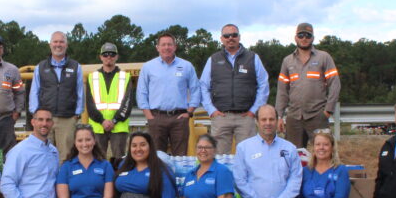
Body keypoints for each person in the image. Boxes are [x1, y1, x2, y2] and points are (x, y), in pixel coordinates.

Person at [199, 24, 270, 154]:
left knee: (248, 157)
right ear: (221, 38)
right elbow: (203, 86)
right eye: (226, 35)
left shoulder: (253, 57)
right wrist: (211, 110)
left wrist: (254, 110)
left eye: (234, 35)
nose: (230, 38)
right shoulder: (213, 59)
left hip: (246, 117)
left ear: (239, 37)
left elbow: (263, 85)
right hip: (221, 117)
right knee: (218, 159)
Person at [275, 22, 341, 149]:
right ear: (295, 38)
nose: (304, 38)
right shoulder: (287, 61)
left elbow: (335, 84)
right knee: (293, 155)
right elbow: (282, 91)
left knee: (324, 153)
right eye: (301, 35)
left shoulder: (324, 57)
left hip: (317, 116)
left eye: (308, 35)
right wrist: (279, 116)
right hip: (294, 117)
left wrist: (328, 110)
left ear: (313, 38)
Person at [137, 32, 201, 156]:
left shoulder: (187, 66)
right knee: (156, 157)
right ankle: (158, 176)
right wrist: (149, 115)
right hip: (156, 117)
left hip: (179, 118)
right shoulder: (148, 67)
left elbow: (196, 90)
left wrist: (189, 112)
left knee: (180, 156)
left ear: (175, 47)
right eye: (163, 44)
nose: (167, 47)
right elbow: (141, 92)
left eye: (169, 44)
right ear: (157, 47)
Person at [29, 31, 84, 161]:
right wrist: (35, 113)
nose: (58, 45)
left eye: (61, 42)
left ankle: (63, 181)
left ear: (66, 45)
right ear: (50, 44)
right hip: (45, 118)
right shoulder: (40, 67)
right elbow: (34, 91)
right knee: (43, 153)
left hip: (67, 118)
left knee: (66, 155)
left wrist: (77, 113)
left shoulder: (76, 66)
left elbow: (80, 91)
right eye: (55, 41)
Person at [85, 42, 134, 163]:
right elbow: (90, 104)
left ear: (117, 57)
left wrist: (114, 120)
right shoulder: (92, 77)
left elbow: (127, 103)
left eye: (112, 54)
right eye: (105, 54)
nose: (109, 57)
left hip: (118, 126)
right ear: (101, 57)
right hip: (98, 126)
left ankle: (118, 182)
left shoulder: (125, 77)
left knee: (119, 161)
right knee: (97, 161)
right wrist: (102, 121)